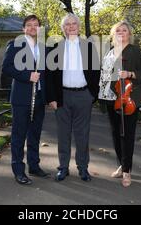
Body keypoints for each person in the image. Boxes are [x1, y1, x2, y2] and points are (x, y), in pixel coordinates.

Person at [46, 13, 100, 182]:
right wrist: (52, 98)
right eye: (67, 24)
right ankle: (63, 168)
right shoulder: (55, 48)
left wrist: (92, 95)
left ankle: (83, 168)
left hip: (84, 95)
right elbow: (49, 76)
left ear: (78, 27)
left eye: (73, 24)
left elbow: (96, 72)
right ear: (63, 28)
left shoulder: (89, 47)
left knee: (82, 134)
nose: (70, 26)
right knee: (63, 134)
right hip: (62, 96)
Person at [98, 21, 141, 187]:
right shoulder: (109, 53)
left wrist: (130, 73)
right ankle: (121, 164)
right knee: (116, 134)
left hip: (129, 99)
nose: (121, 32)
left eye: (124, 30)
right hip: (111, 98)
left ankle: (127, 171)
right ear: (113, 34)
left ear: (129, 33)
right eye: (118, 30)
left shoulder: (135, 51)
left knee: (127, 135)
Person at [2, 15, 49, 185]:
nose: (32, 28)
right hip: (21, 98)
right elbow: (6, 68)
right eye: (28, 25)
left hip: (39, 98)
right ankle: (18, 171)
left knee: (35, 135)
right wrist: (27, 75)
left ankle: (34, 166)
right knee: (19, 135)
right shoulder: (15, 45)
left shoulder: (43, 48)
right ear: (23, 29)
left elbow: (47, 73)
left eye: (35, 25)